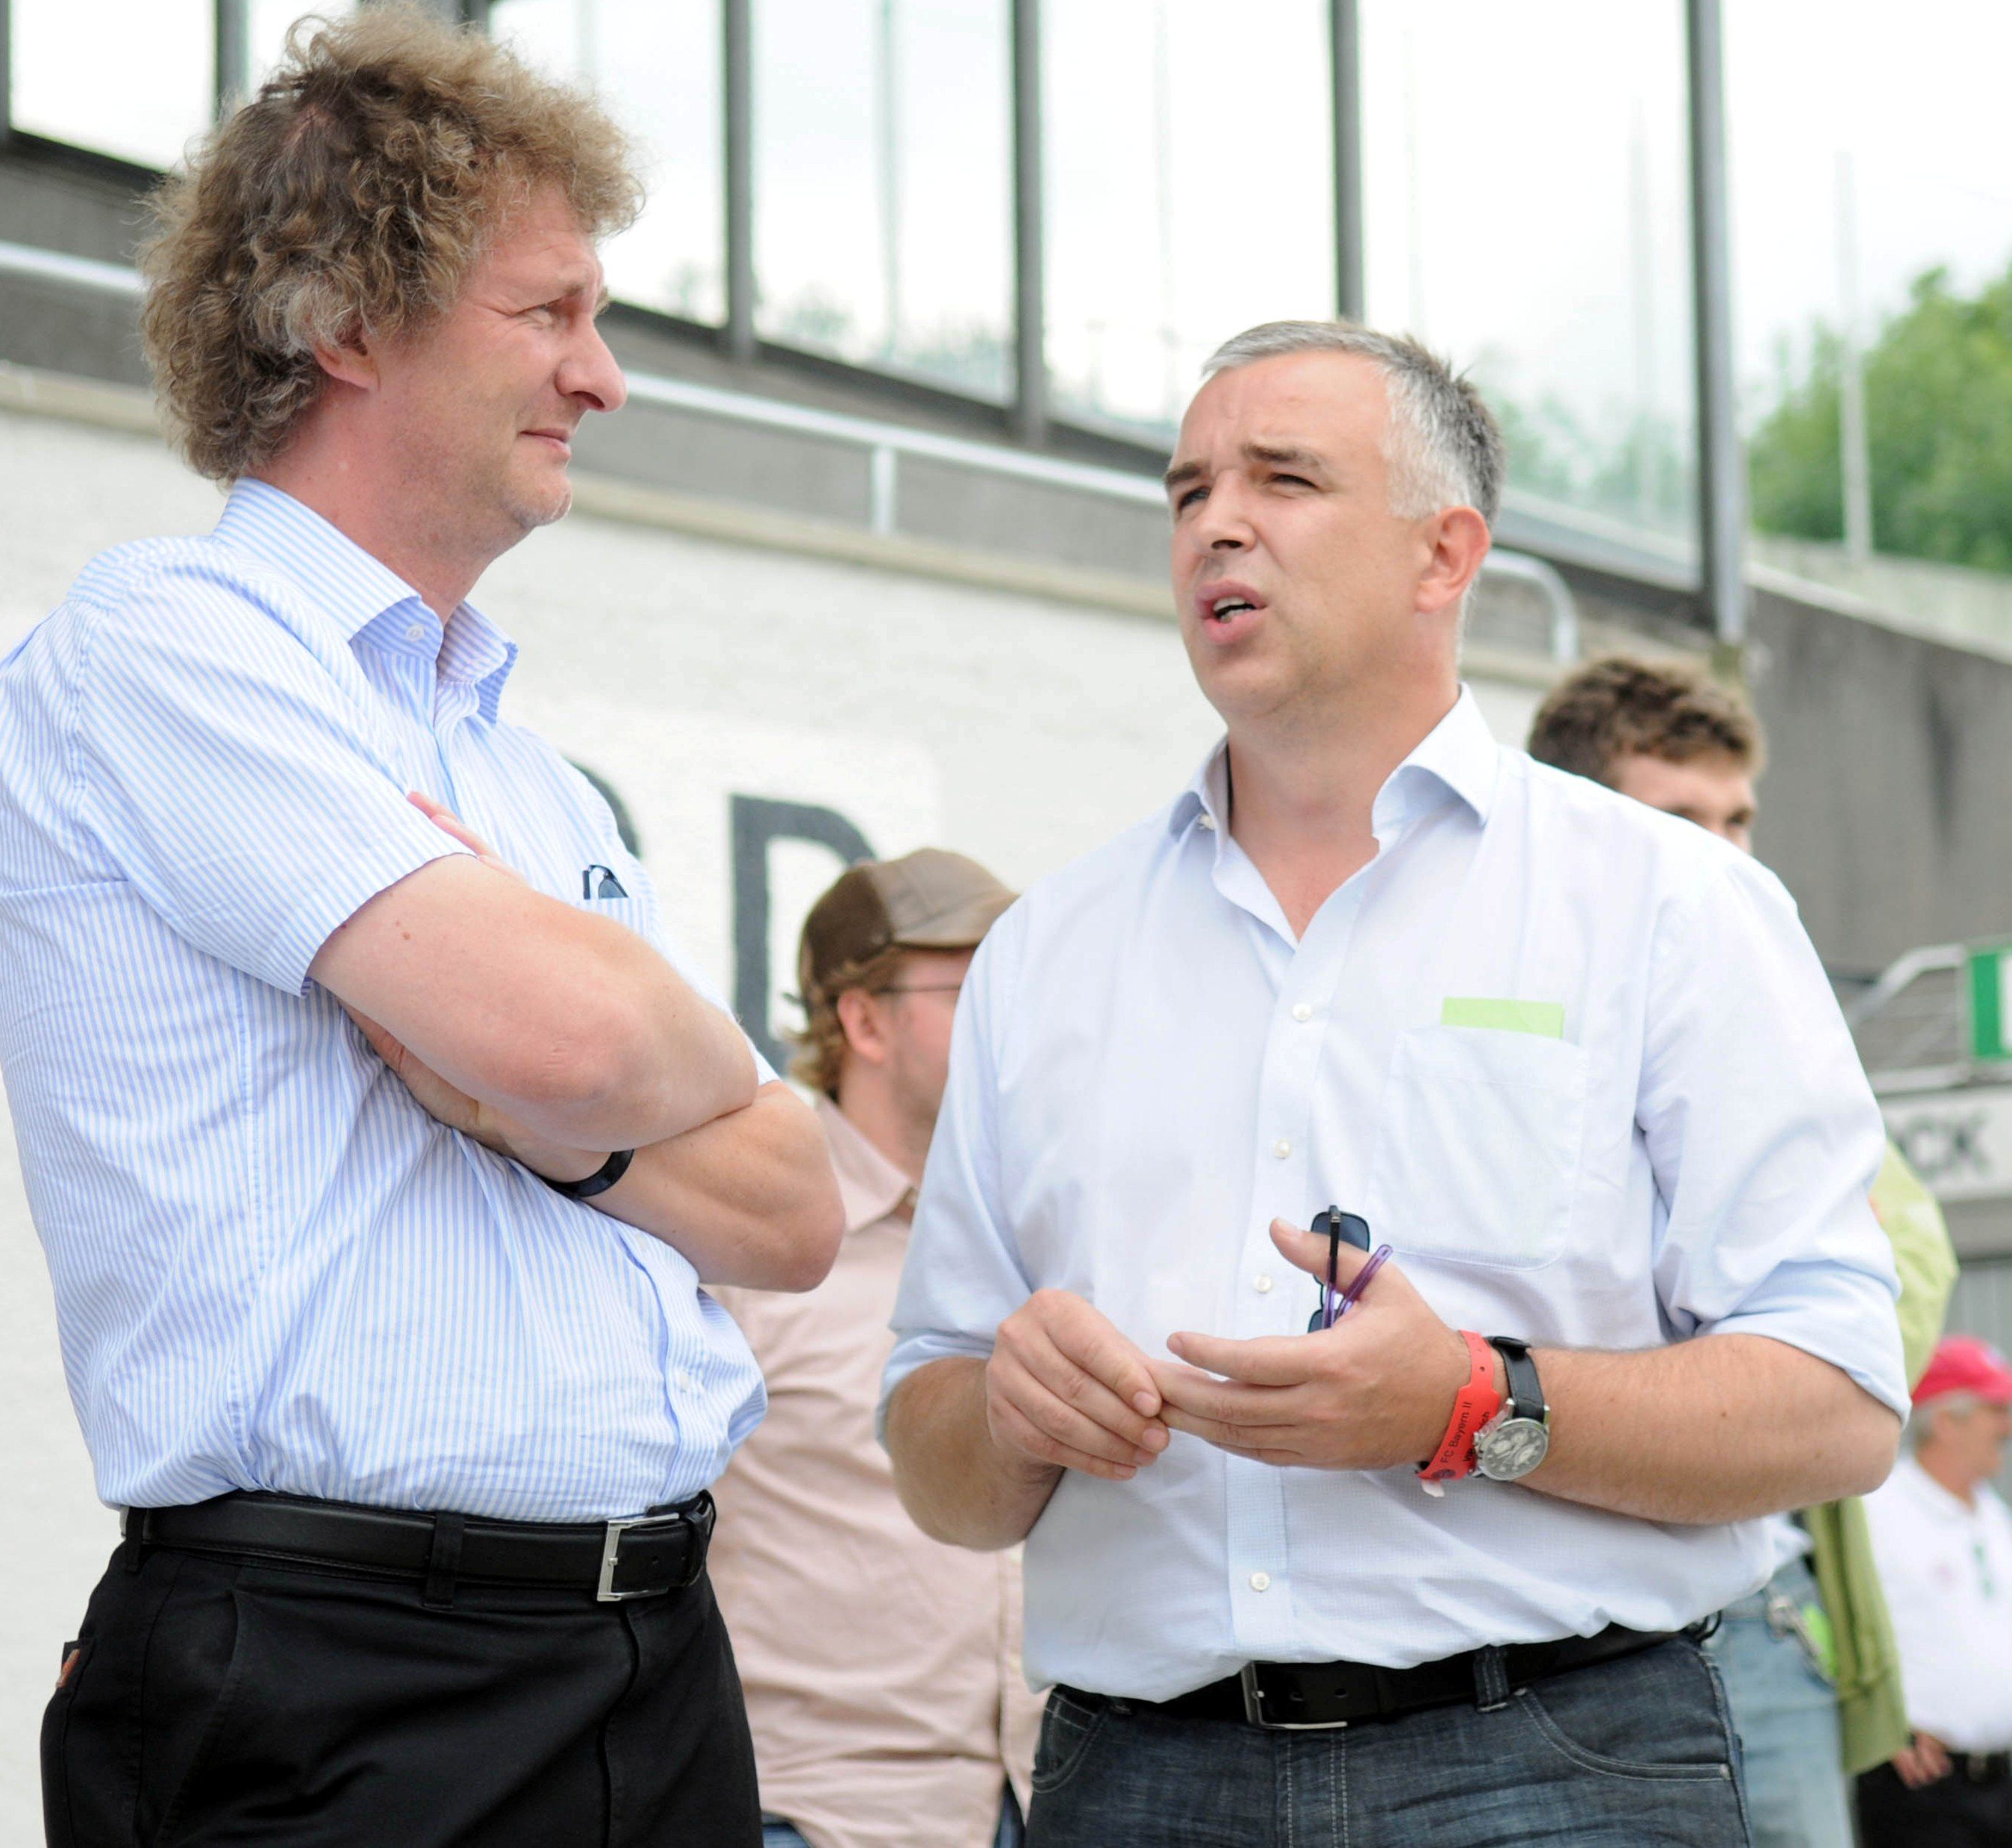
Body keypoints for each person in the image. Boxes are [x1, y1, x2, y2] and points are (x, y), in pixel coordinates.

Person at [0, 13, 841, 1844]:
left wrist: (556, 1107)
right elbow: (589, 1042)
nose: (601, 377)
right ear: (344, 324)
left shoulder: (527, 781)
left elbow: (792, 1209)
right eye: (551, 313)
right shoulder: (168, 643)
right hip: (345, 1685)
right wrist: (591, 1055)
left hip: (656, 1660)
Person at [879, 320, 1910, 1848]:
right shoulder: (1045, 952)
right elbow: (938, 1462)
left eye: (1283, 477)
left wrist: (1474, 1400)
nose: (1215, 521)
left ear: (1447, 554)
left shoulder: (1668, 904)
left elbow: (1837, 1403)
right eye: (1186, 491)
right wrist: (1011, 1411)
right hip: (1134, 1778)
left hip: (1558, 1764)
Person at [1528, 655, 1961, 1847]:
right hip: (1544, 1628)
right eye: (1680, 820)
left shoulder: (1775, 1017)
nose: (1725, 855)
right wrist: (1729, 1329)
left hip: (1764, 1615)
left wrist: (1749, 1343)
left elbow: (1895, 1292)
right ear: (1576, 815)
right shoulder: (1508, 1016)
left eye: (1737, 820)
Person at [707, 850, 1038, 1848]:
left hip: (1049, 1801)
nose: (1015, 1015)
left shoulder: (1042, 1235)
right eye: (977, 984)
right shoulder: (739, 1243)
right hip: (821, 1816)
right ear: (863, 1020)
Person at [1858, 1337, 2012, 1847]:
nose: (2007, 1426)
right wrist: (1881, 1724)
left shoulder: (1993, 1513)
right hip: (1923, 1786)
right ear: (1947, 1420)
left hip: (2000, 1784)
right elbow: (1837, 1628)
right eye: (1996, 1410)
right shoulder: (1879, 1512)